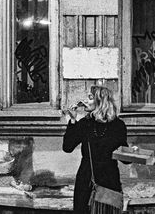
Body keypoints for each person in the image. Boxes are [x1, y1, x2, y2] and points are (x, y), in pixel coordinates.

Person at [62, 85, 128, 214]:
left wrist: (131, 151)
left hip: (109, 180)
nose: (85, 101)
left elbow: (126, 160)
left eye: (90, 98)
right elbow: (67, 147)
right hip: (86, 180)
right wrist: (73, 121)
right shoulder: (84, 123)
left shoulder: (118, 125)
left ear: (100, 101)